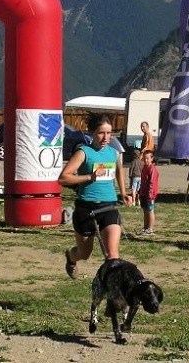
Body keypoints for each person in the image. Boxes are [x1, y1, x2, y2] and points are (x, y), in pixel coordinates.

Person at [58, 114, 132, 279]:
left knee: (112, 255)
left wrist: (123, 192)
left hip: (108, 207)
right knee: (84, 253)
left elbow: (119, 170)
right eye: (101, 133)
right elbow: (63, 178)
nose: (106, 137)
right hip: (86, 209)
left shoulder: (113, 153)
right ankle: (71, 257)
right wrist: (89, 177)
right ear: (92, 133)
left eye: (109, 133)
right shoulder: (84, 152)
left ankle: (113, 291)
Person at [139, 150, 159, 235]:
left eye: (147, 158)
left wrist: (150, 195)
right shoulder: (144, 168)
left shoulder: (152, 170)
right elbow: (142, 181)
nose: (145, 160)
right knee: (145, 211)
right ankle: (145, 227)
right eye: (144, 158)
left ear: (152, 159)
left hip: (150, 195)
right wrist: (140, 191)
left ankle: (150, 228)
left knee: (150, 211)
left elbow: (152, 183)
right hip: (143, 193)